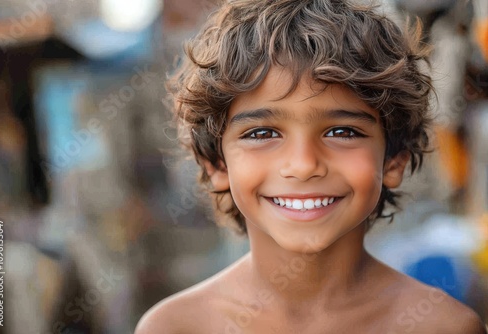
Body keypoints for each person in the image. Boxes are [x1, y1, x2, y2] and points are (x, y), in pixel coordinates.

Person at [135, 0, 488, 332]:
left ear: (394, 158)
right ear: (217, 163)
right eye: (262, 133)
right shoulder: (175, 327)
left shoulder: (443, 326)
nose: (303, 165)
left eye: (341, 131)